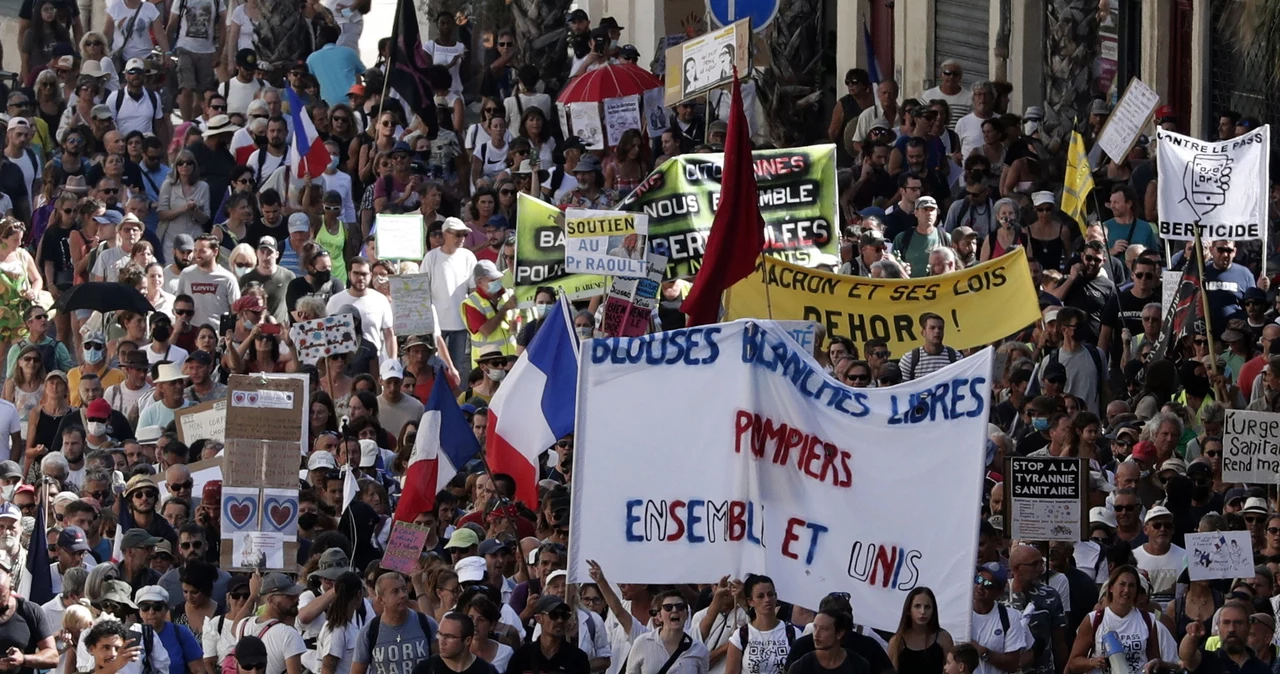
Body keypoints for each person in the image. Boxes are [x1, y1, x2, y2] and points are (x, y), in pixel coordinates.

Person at [352, 572, 437, 674]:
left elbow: (441, 664)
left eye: (404, 589)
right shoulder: (369, 632)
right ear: (381, 599)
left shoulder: (427, 624)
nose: (403, 595)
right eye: (395, 592)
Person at [234, 572, 307, 674]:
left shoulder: (243, 624)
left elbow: (234, 627)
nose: (297, 599)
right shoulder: (289, 634)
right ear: (271, 600)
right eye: (289, 596)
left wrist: (253, 596)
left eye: (296, 595)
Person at [326, 258, 395, 361]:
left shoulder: (381, 300)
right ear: (349, 274)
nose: (360, 278)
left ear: (371, 276)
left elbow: (389, 335)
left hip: (373, 363)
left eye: (364, 274)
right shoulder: (335, 301)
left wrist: (392, 362)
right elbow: (327, 335)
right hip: (343, 365)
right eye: (356, 273)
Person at [969, 563, 1030, 674]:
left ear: (1000, 592)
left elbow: (1012, 665)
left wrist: (982, 652)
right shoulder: (961, 613)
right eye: (978, 579)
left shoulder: (1010, 617)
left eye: (988, 584)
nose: (980, 586)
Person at [1179, 600, 1270, 674]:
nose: (1231, 629)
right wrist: (1192, 635)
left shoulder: (1262, 670)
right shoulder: (1208, 661)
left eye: (1238, 623)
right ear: (1218, 626)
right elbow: (1186, 656)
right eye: (1226, 622)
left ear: (1248, 627)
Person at [507, 595, 589, 674]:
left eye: (564, 615)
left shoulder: (578, 658)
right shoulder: (522, 656)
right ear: (539, 618)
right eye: (554, 615)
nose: (560, 620)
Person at [178, 234, 241, 329]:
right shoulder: (186, 274)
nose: (197, 255)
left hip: (217, 333)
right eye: (195, 250)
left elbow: (236, 310)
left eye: (202, 251)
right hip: (191, 331)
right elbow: (178, 304)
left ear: (215, 252)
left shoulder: (228, 278)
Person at [888, 588, 952, 674]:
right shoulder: (897, 641)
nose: (922, 612)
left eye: (927, 607)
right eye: (917, 606)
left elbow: (952, 670)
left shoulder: (943, 638)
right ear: (908, 610)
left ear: (933, 610)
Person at [787, 609, 868, 674]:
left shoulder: (858, 666)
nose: (816, 634)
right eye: (815, 627)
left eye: (823, 629)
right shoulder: (801, 667)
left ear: (839, 633)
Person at [411, 613, 496, 674]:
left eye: (449, 636)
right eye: (440, 634)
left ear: (467, 640)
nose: (442, 641)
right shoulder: (425, 669)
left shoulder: (486, 670)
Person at [892, 196, 949, 279]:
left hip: (939, 288)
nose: (929, 213)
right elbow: (893, 267)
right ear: (916, 212)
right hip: (911, 288)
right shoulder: (903, 238)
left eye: (932, 210)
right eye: (925, 209)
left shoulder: (945, 238)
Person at [898, 313, 961, 382]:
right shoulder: (909, 359)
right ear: (923, 332)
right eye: (932, 328)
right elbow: (901, 389)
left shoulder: (956, 357)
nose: (937, 331)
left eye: (940, 328)